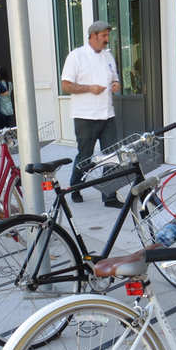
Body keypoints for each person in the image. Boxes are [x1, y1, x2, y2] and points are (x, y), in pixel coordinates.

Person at [61, 20, 122, 209]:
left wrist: (115, 85)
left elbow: (116, 81)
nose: (106, 39)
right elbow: (66, 85)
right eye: (103, 36)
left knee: (111, 155)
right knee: (85, 156)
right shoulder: (76, 56)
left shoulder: (108, 56)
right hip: (85, 116)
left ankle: (109, 195)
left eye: (107, 35)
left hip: (107, 114)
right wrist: (89, 88)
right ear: (93, 36)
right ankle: (76, 186)